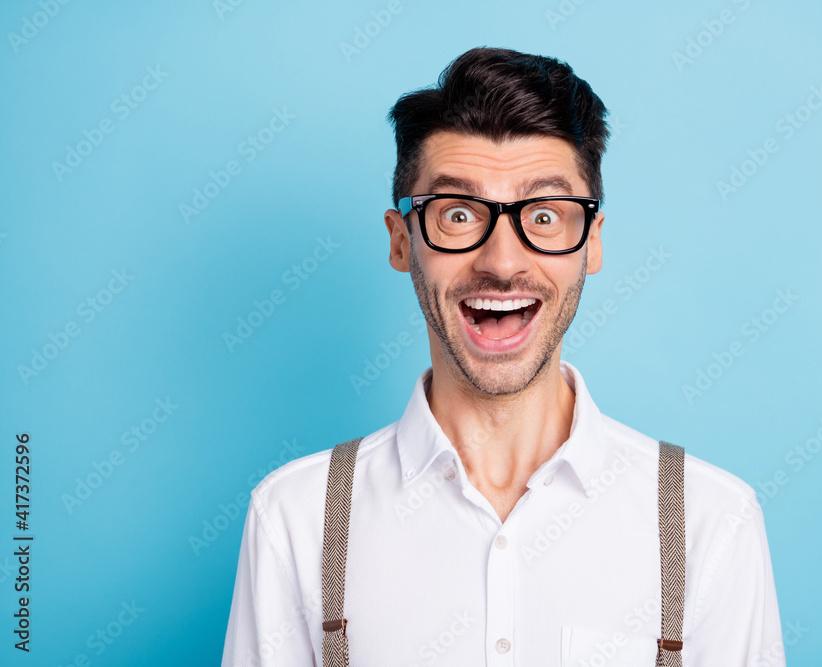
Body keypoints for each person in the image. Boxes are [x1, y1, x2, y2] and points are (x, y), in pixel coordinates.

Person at [222, 46, 785, 667]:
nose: (502, 261)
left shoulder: (710, 522)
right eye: (459, 214)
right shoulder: (295, 519)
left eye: (544, 215)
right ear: (401, 241)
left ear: (590, 244)